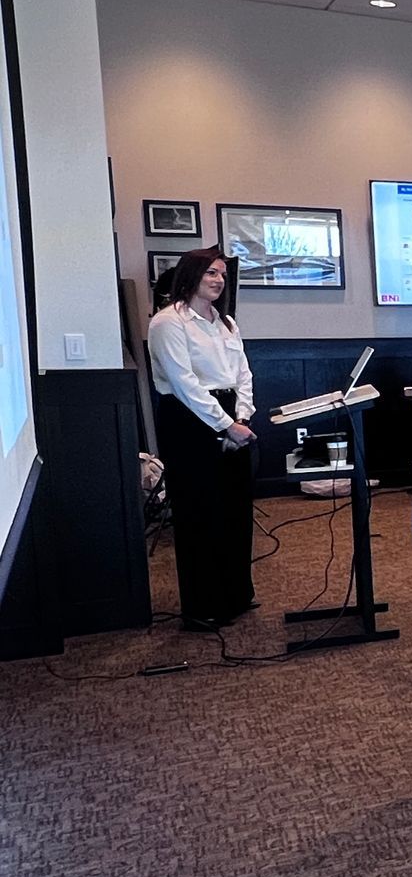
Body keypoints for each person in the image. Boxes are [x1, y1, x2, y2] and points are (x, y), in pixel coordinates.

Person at [147, 248, 257, 630]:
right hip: (190, 420)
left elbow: (242, 373)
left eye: (223, 275)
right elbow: (184, 384)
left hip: (231, 417)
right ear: (191, 275)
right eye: (211, 273)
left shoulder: (225, 322)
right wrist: (226, 426)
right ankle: (205, 606)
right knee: (201, 514)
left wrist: (241, 416)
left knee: (235, 512)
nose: (218, 280)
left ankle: (237, 595)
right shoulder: (168, 322)